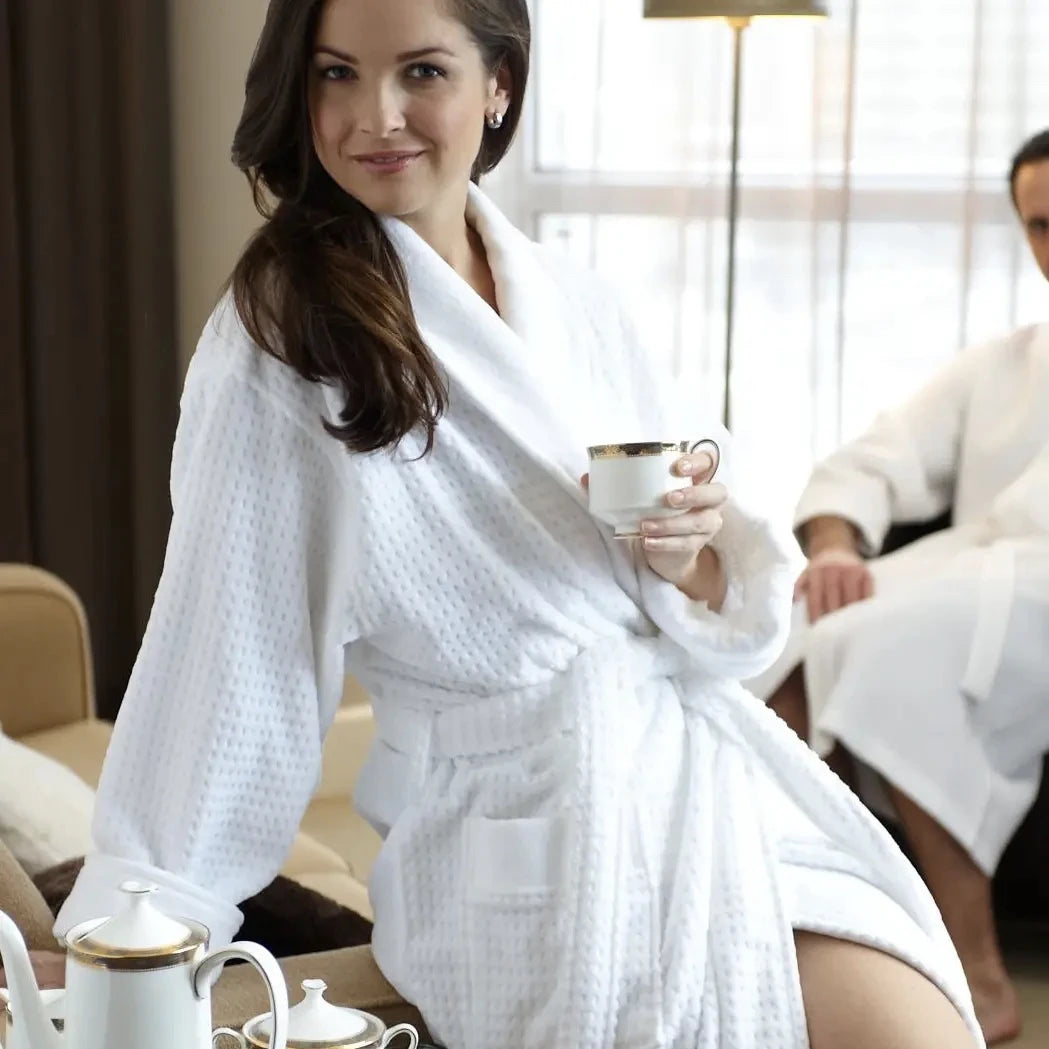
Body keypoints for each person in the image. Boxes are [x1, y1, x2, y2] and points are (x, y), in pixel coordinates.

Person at [54, 1, 982, 1046]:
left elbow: (715, 577)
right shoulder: (282, 342)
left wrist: (692, 557)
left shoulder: (579, 300)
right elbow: (230, 655)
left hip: (693, 779)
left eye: (420, 73)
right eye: (333, 75)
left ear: (498, 82)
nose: (374, 116)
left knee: (921, 1013)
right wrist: (137, 938)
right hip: (519, 840)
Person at [749, 130, 1049, 1045]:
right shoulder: (1006, 361)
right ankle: (801, 942)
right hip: (964, 578)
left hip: (1032, 589)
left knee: (873, 644)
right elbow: (877, 457)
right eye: (1038, 224)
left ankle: (977, 972)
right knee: (792, 630)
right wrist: (836, 544)